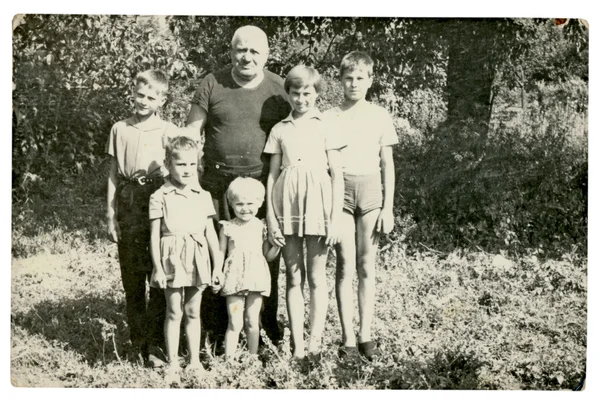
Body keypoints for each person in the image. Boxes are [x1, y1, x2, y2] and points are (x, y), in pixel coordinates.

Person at [186, 25, 290, 347]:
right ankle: (218, 333)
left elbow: (297, 132)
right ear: (231, 51)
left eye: (254, 51)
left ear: (267, 55)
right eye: (240, 50)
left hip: (260, 186)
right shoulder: (212, 82)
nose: (247, 57)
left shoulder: (279, 89)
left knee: (263, 256)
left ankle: (265, 331)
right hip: (217, 185)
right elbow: (191, 132)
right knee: (220, 255)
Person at [264, 65, 345, 359]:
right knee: (293, 277)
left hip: (319, 207)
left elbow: (337, 175)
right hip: (288, 206)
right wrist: (272, 219)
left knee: (316, 277)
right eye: (295, 93)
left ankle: (315, 342)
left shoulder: (326, 126)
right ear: (288, 94)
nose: (301, 99)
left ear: (317, 94)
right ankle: (298, 346)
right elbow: (272, 177)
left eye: (307, 93)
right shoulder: (280, 129)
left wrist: (335, 219)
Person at [325, 51, 398, 361]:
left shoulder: (379, 115)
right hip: (340, 192)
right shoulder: (329, 115)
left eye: (360, 78)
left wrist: (388, 207)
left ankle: (366, 334)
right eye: (348, 78)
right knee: (344, 265)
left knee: (366, 265)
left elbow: (387, 164)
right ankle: (348, 339)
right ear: (340, 80)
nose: (353, 84)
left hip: (370, 193)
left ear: (370, 81)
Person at [106, 69, 182, 367]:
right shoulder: (119, 128)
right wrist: (111, 214)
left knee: (158, 272)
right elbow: (113, 174)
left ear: (162, 100)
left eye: (152, 97)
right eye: (140, 94)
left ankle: (156, 343)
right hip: (127, 200)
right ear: (133, 92)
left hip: (156, 197)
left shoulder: (168, 130)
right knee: (132, 276)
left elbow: (181, 166)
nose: (144, 101)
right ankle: (137, 342)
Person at [149, 136, 223, 385]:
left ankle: (194, 361)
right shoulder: (160, 195)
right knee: (173, 311)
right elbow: (154, 236)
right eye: (181, 165)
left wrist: (217, 266)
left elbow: (211, 235)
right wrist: (157, 268)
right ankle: (172, 363)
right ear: (168, 164)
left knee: (193, 312)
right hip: (171, 256)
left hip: (197, 256)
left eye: (192, 165)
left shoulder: (203, 195)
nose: (187, 170)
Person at [216, 177, 281, 358]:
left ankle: (252, 357)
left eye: (250, 203)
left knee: (252, 320)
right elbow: (221, 253)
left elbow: (267, 256)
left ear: (260, 203)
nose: (245, 208)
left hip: (256, 277)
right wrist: (217, 272)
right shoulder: (227, 227)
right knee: (235, 321)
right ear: (231, 204)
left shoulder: (261, 227)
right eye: (239, 204)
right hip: (234, 278)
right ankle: (229, 360)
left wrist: (276, 246)